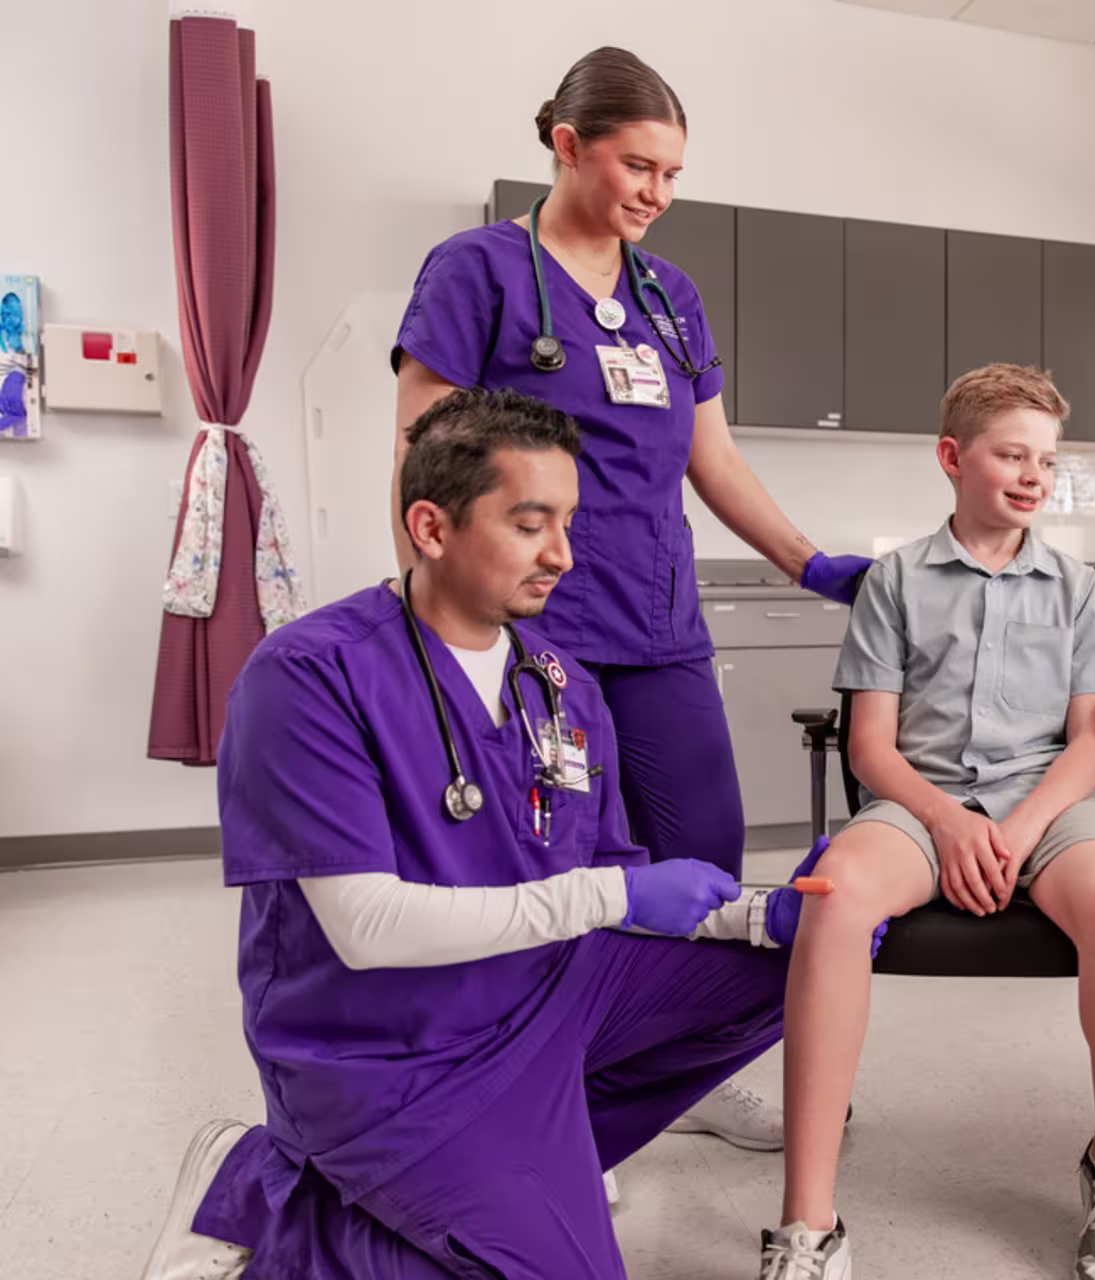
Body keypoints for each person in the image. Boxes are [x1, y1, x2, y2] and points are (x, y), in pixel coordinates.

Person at [139, 389, 881, 1280]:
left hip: (547, 995)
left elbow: (609, 873)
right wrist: (617, 894)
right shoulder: (309, 676)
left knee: (797, 967)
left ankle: (529, 1155)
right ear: (431, 526)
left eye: (569, 522)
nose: (563, 556)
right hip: (387, 1052)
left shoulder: (559, 683)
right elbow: (365, 929)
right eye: (531, 524)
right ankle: (262, 1197)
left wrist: (757, 918)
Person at [389, 47, 870, 1149]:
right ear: (566, 144)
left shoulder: (670, 297)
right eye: (637, 165)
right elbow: (424, 450)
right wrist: (442, 620)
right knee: (549, 861)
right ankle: (539, 1088)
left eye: (673, 172)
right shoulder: (478, 272)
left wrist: (809, 560)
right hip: (528, 626)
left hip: (656, 622)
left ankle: (660, 1082)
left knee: (704, 847)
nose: (657, 192)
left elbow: (716, 460)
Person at [758, 365, 1095, 1280]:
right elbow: (870, 748)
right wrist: (945, 823)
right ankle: (807, 1224)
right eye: (1011, 454)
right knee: (832, 899)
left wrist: (1019, 831)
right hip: (918, 798)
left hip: (1050, 805)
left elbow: (1092, 747)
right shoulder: (894, 582)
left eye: (1047, 462)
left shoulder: (1075, 587)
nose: (1032, 476)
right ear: (952, 457)